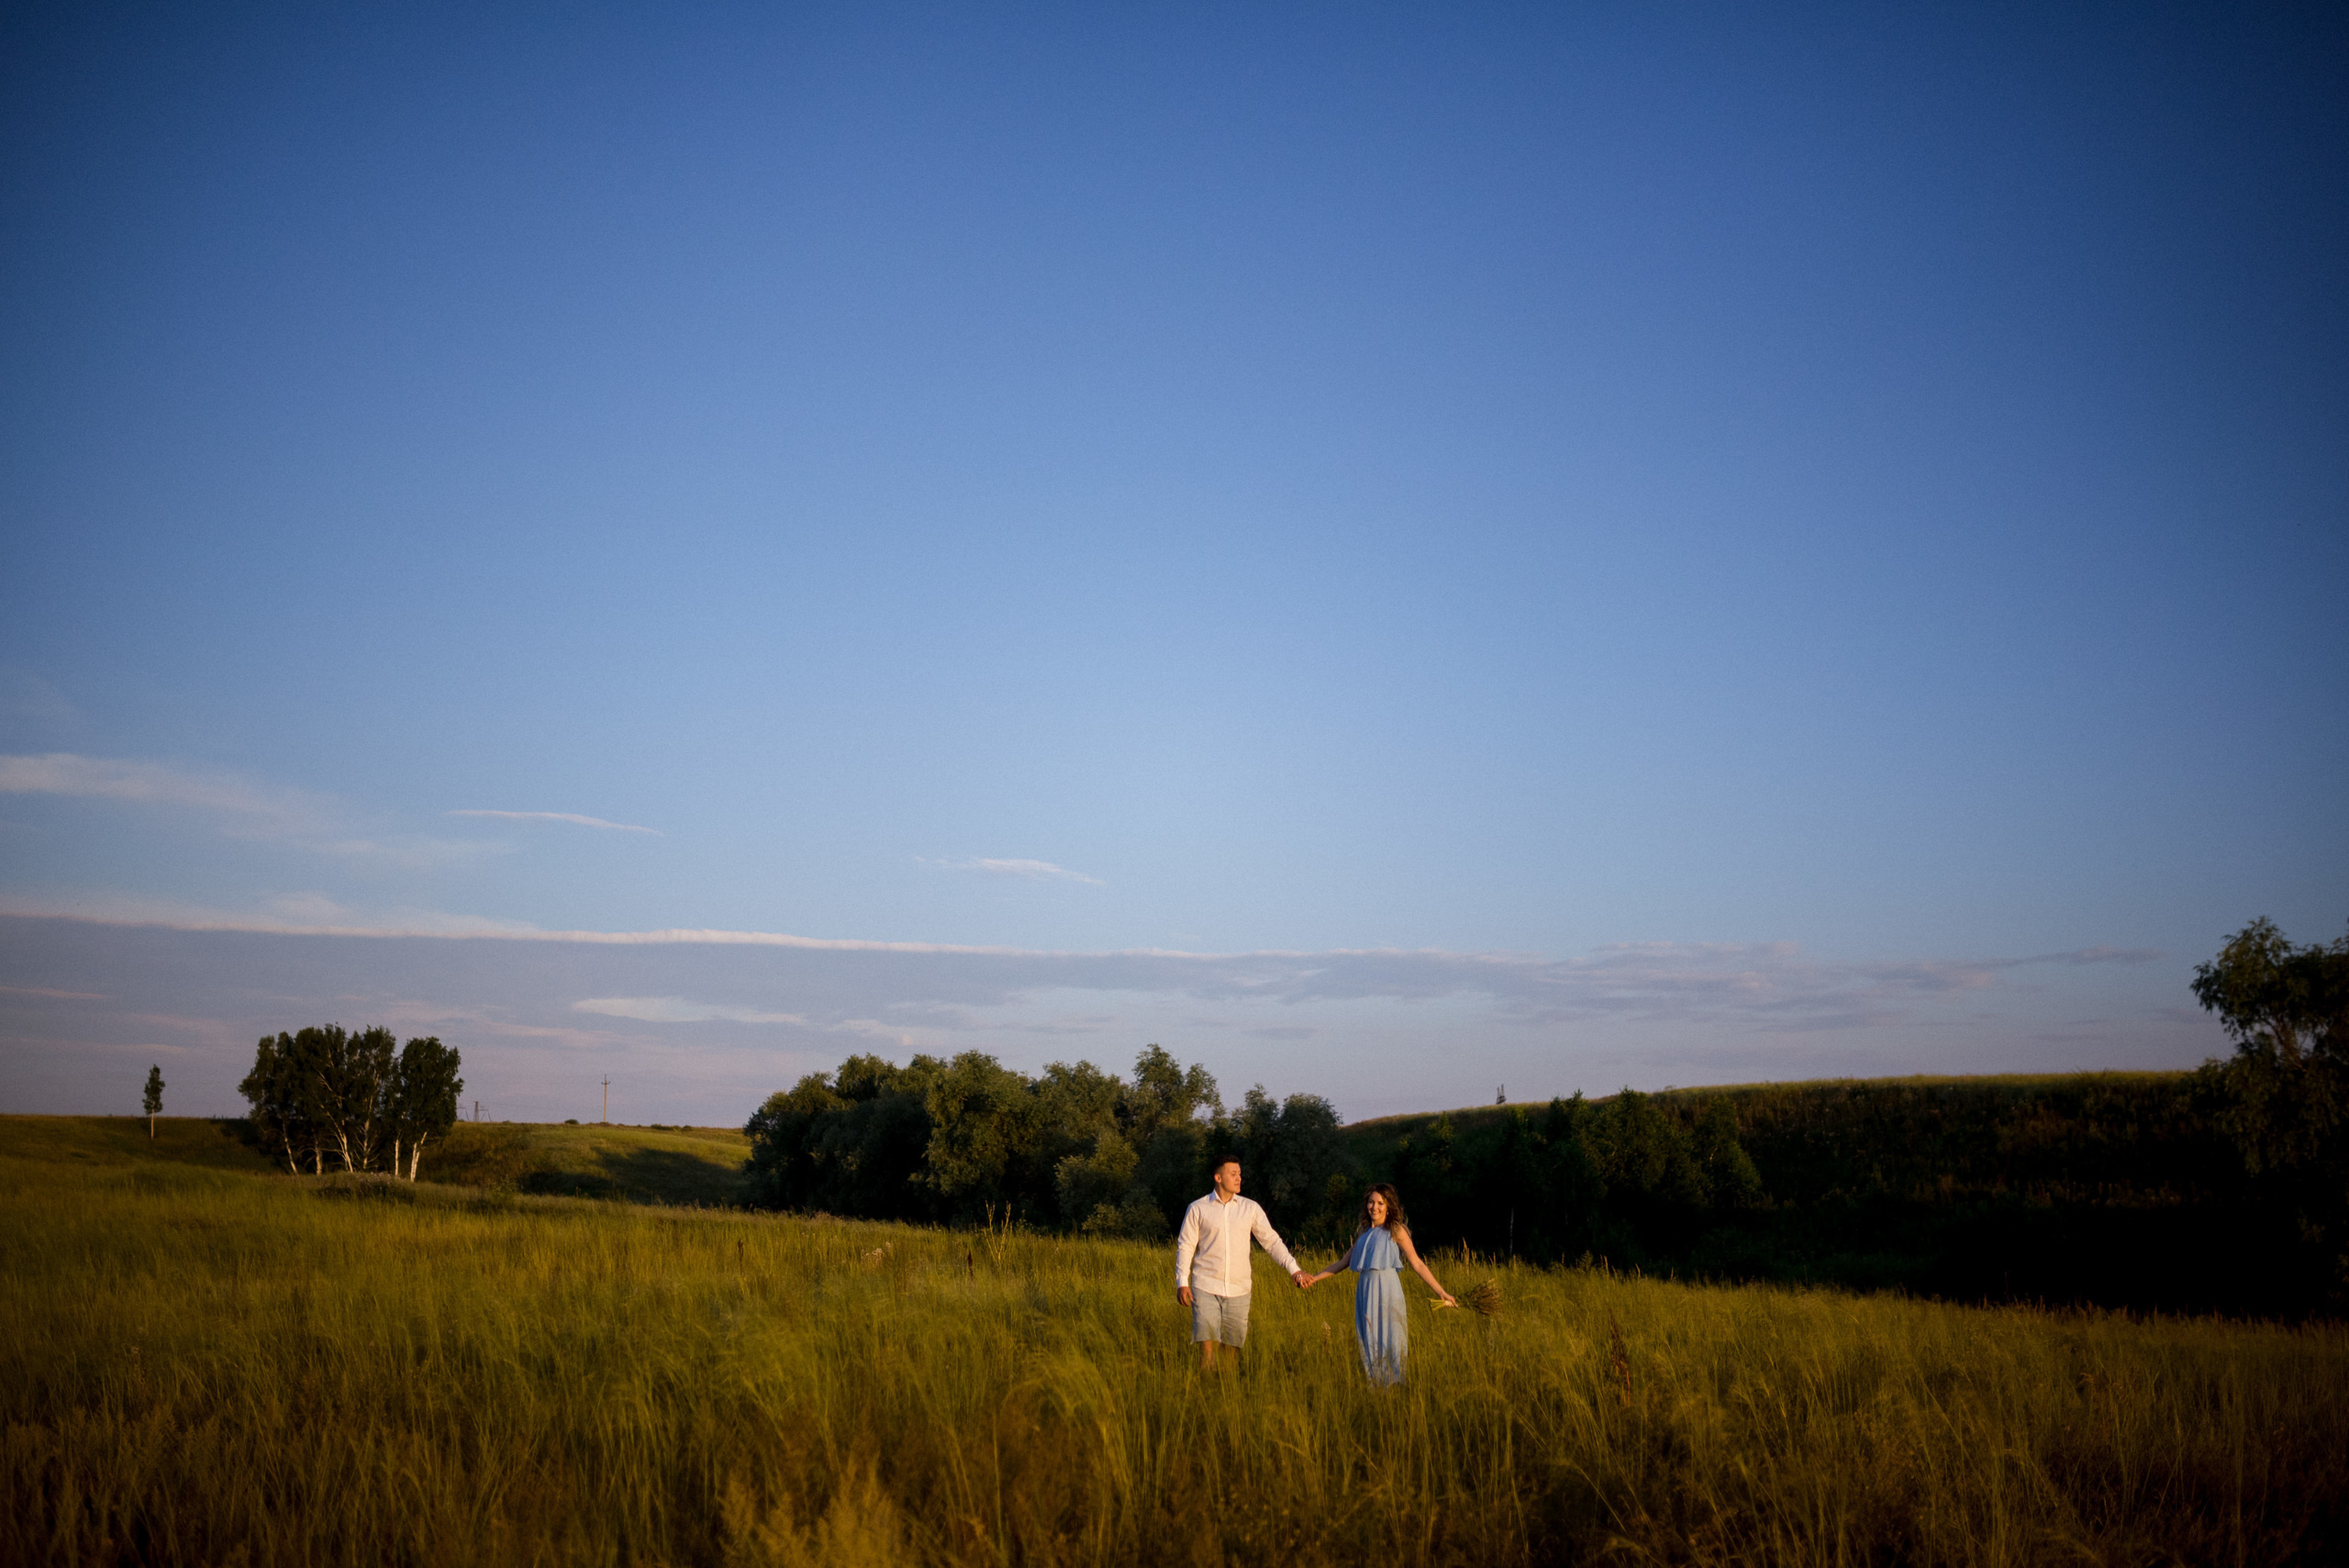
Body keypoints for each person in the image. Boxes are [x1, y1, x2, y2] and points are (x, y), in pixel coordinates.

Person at [1301, 1183, 1455, 1385]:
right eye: (1371, 1202)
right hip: (1365, 1291)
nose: (1374, 1207)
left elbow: (1417, 1263)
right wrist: (1314, 1278)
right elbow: (1342, 1263)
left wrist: (1441, 1291)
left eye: (1380, 1203)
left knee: (1391, 1337)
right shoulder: (1364, 1235)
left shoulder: (1395, 1230)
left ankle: (1395, 1384)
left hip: (1388, 1290)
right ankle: (1375, 1386)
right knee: (1369, 1337)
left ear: (1389, 1206)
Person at [1174, 1154, 1311, 1370]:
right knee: (1208, 1350)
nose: (1239, 1178)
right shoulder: (1198, 1208)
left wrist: (1295, 1270)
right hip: (1205, 1287)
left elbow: (1272, 1242)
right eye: (1233, 1174)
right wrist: (1182, 1282)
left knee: (1231, 1352)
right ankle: (1205, 1394)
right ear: (1218, 1178)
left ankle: (1228, 1396)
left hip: (1239, 1290)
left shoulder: (1250, 1208)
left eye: (1240, 1174)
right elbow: (1186, 1246)